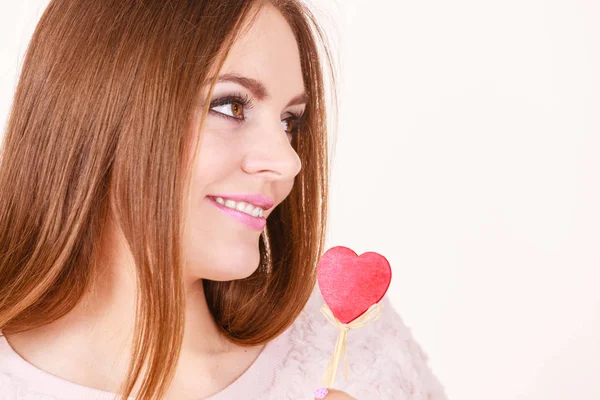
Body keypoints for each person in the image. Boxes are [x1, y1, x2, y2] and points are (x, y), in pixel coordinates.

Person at [0, 1, 448, 399]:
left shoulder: (353, 344)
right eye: (232, 107)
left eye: (289, 120)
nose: (288, 161)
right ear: (98, 110)